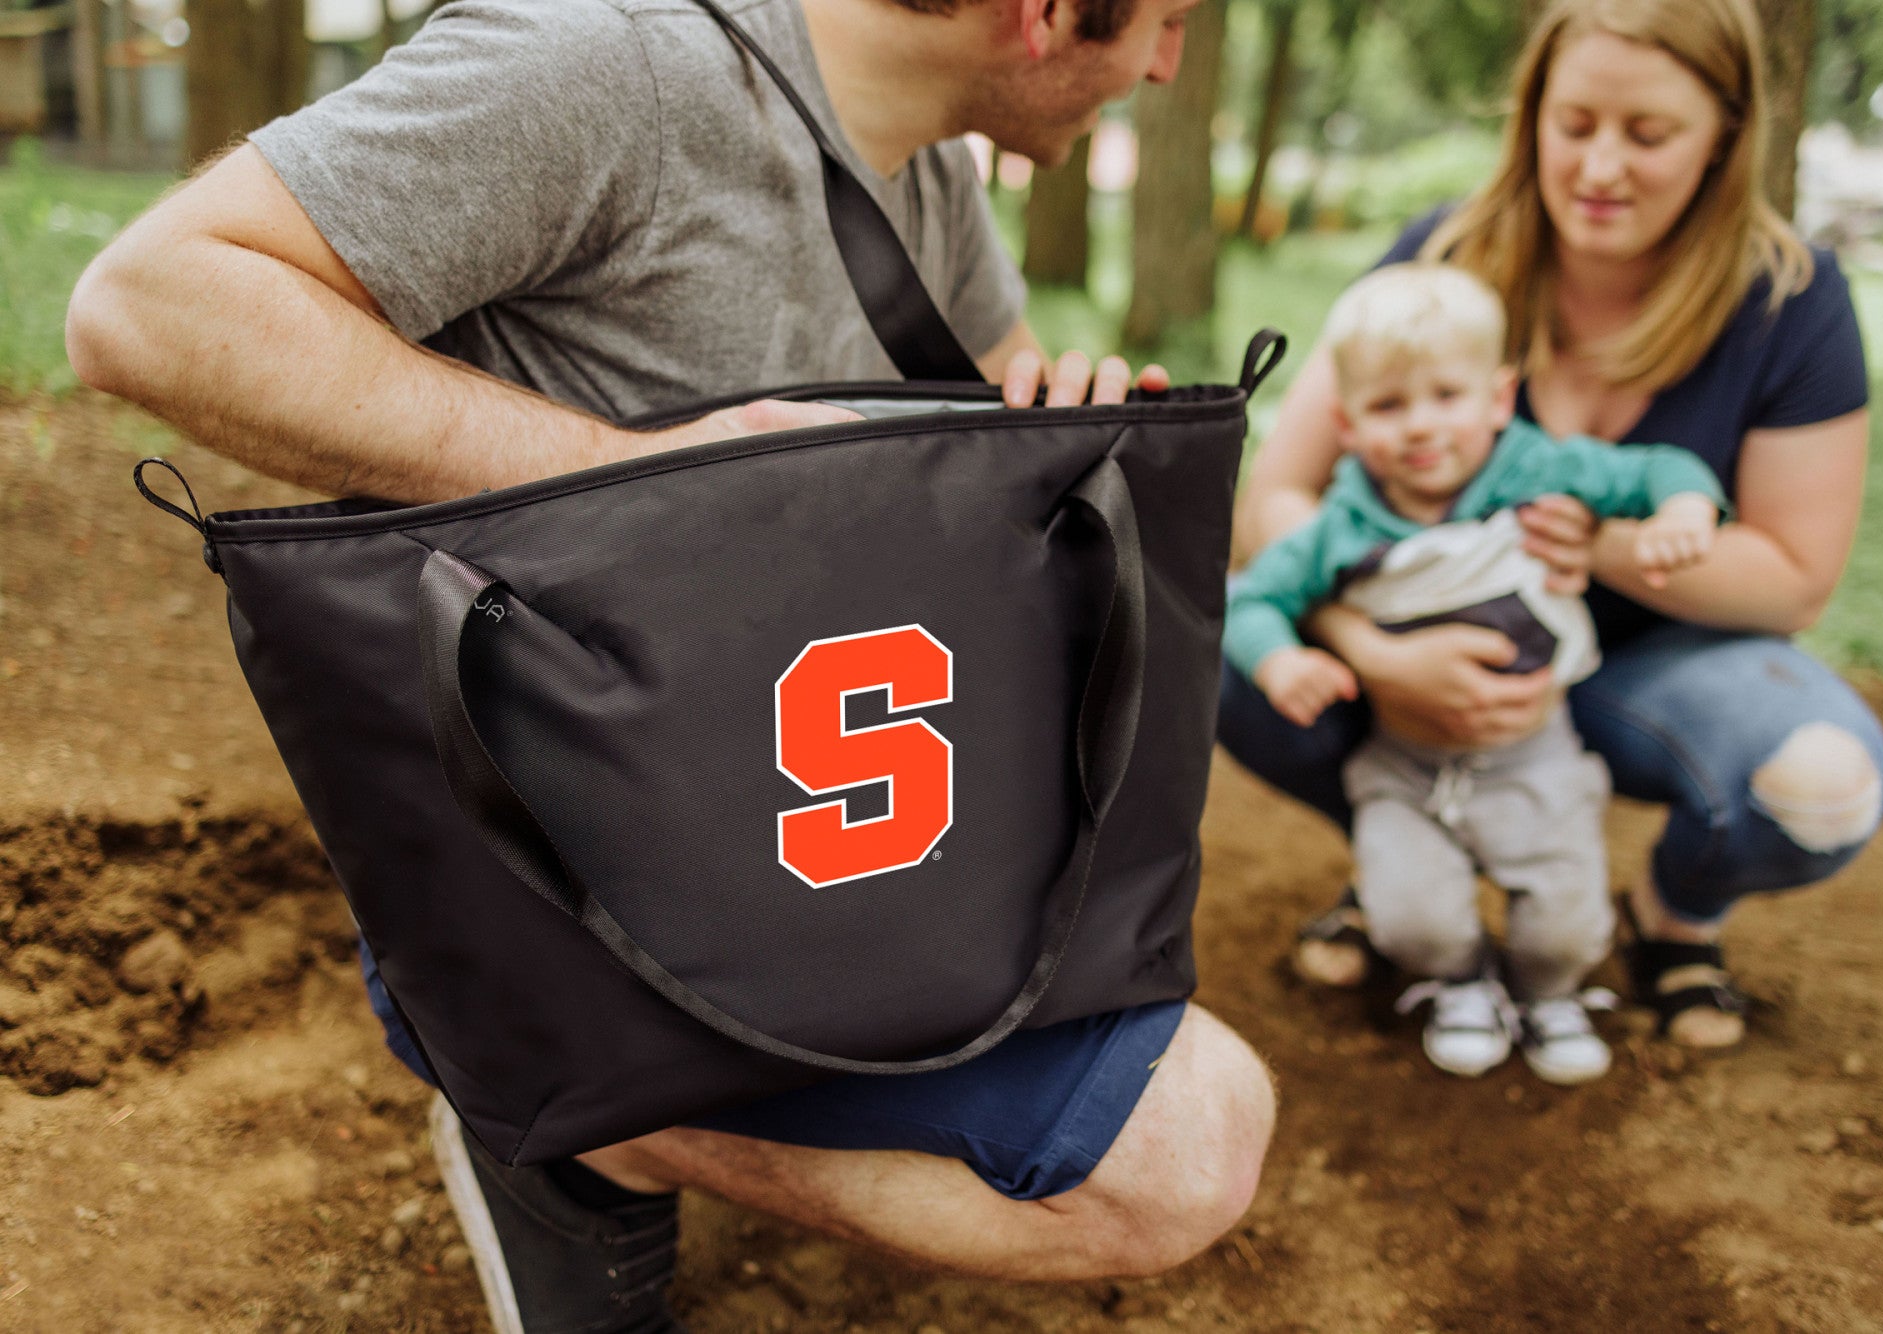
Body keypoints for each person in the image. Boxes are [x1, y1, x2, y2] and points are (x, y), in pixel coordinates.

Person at [64, 0, 1276, 1328]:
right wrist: (616, 476)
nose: (1169, 65)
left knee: (1195, 1132)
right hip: (561, 881)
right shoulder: (604, 59)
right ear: (1042, 13)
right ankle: (583, 1121)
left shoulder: (929, 152)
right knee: (1178, 1153)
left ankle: (636, 1113)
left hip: (815, 837)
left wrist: (1052, 428)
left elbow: (961, 457)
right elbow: (144, 305)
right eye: (1163, 21)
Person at [1219, 0, 1883, 1054]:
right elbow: (1275, 501)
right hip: (1416, 661)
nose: (1598, 167)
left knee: (1822, 783)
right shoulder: (1439, 254)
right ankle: (1408, 863)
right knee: (1221, 642)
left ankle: (1670, 916)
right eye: (1572, 123)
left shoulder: (1789, 299)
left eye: (1647, 134)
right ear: (1530, 111)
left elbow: (1792, 579)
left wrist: (1600, 546)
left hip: (1651, 667)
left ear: (1724, 130)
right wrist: (1374, 646)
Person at [1225, 261, 1724, 1084]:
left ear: (1498, 398)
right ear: (1346, 425)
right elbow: (1254, 600)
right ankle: (1456, 982)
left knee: (1565, 920)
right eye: (1389, 406)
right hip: (1404, 764)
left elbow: (1659, 467)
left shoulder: (1536, 471)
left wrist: (1683, 511)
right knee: (1411, 916)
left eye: (1446, 397)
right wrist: (1279, 660)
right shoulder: (1345, 522)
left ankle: (1549, 992)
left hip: (1537, 755)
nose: (1421, 427)